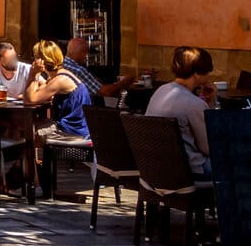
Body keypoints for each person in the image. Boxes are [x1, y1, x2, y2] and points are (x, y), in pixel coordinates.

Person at [146, 46, 216, 178]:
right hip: (188, 171)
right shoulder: (193, 104)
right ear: (196, 73)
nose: (209, 75)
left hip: (156, 168)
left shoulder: (161, 91)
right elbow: (208, 148)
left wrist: (209, 103)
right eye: (207, 71)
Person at [23, 39, 91, 144]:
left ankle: (34, 160)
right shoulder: (60, 75)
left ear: (42, 60)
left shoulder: (60, 80)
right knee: (29, 126)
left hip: (72, 132)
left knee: (28, 132)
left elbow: (29, 99)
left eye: (35, 58)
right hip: (74, 128)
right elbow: (39, 92)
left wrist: (33, 74)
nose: (33, 61)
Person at [63, 35, 132, 99]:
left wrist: (93, 80)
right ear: (82, 53)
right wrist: (123, 82)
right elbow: (105, 92)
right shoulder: (78, 70)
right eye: (86, 53)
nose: (86, 57)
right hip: (83, 109)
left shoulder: (62, 65)